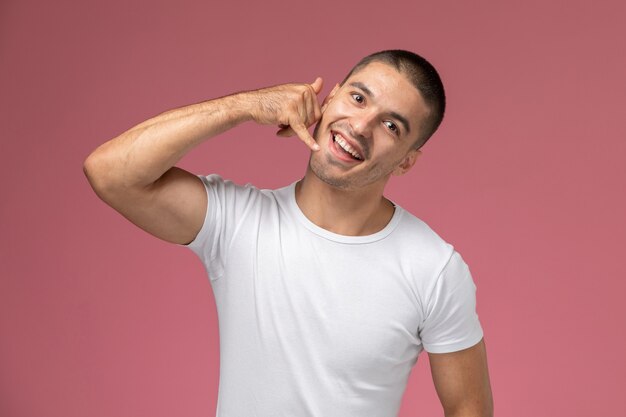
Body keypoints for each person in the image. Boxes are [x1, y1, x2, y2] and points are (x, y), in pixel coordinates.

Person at [84, 50, 493, 417]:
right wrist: (242, 106)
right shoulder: (238, 222)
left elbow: (468, 408)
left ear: (406, 162)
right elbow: (110, 174)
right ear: (329, 97)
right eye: (357, 97)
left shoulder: (434, 269)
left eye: (391, 125)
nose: (361, 125)